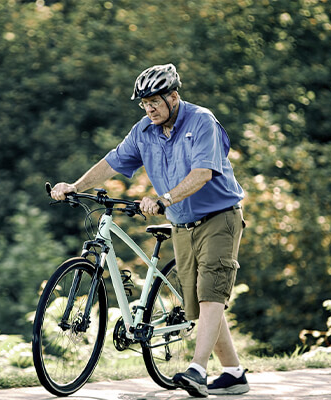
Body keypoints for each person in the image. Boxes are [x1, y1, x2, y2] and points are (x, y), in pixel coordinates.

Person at [50, 63, 249, 398]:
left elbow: (203, 173)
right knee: (198, 304)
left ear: (174, 96)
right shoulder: (144, 131)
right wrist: (75, 185)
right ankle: (233, 374)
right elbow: (112, 162)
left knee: (211, 291)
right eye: (144, 103)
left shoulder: (201, 121)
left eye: (155, 101)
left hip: (219, 217)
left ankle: (198, 371)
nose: (150, 108)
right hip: (182, 223)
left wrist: (164, 198)